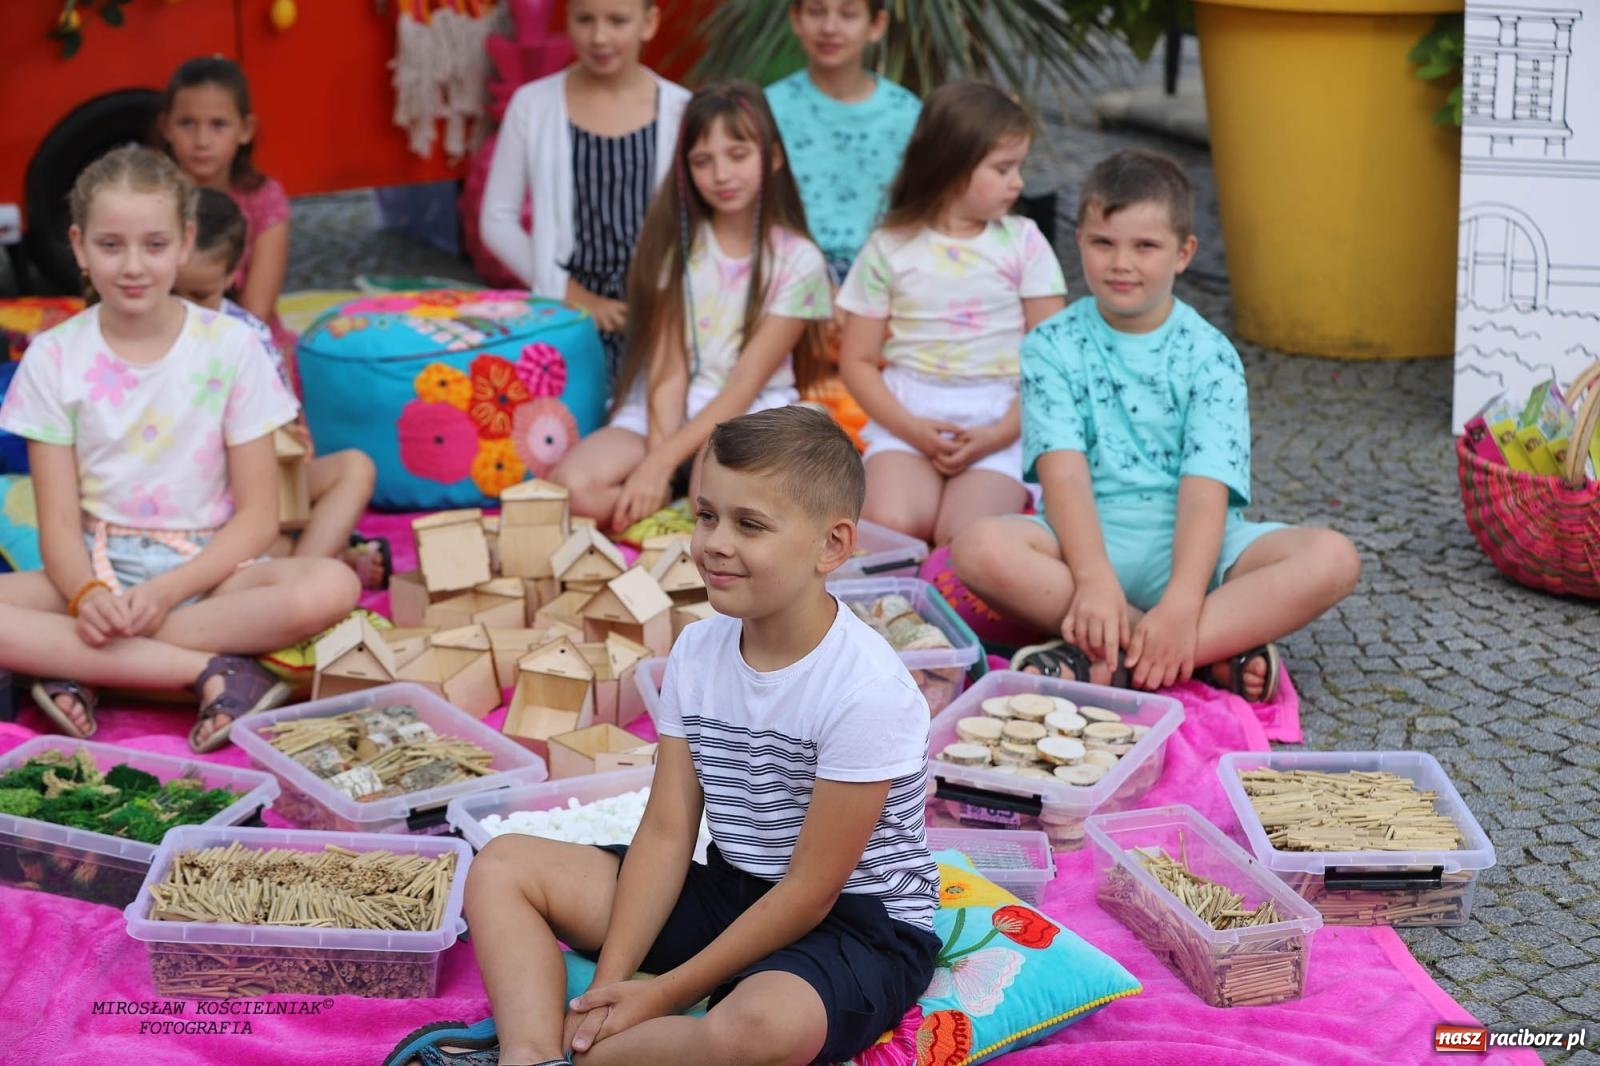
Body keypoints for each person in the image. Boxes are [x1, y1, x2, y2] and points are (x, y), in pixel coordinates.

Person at [389, 406, 938, 1066]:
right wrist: (611, 987)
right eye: (706, 515)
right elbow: (668, 832)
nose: (713, 543)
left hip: (856, 923)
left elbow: (810, 891)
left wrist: (665, 994)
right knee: (504, 865)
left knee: (760, 1028)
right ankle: (532, 1053)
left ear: (833, 545)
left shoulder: (866, 689)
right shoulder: (698, 649)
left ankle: (588, 1053)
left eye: (750, 524)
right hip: (733, 888)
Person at [951, 149, 1361, 701]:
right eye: (1104, 243)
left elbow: (1204, 490)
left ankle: (1115, 653)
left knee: (1332, 558)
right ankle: (1204, 652)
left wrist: (1184, 601)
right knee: (978, 547)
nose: (1122, 263)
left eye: (1145, 246)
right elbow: (1063, 475)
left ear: (1184, 253)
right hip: (1081, 544)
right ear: (1080, 244)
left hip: (1198, 547)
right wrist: (1093, 578)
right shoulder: (1051, 345)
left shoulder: (1210, 355)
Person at [0, 146, 360, 751]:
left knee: (330, 586)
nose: (133, 265)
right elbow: (58, 521)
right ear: (79, 246)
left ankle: (89, 667)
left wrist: (163, 595)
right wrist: (89, 595)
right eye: (111, 245)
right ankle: (204, 671)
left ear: (186, 241)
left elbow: (258, 518)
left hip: (216, 573)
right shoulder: (54, 356)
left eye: (155, 244)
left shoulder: (232, 346)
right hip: (96, 567)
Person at [550, 83, 833, 532]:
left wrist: (659, 464)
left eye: (738, 155)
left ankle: (683, 498)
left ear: (773, 158)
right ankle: (671, 496)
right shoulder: (674, 250)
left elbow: (743, 383)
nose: (721, 174)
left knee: (717, 506)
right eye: (703, 161)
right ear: (685, 170)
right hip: (664, 411)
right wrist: (659, 467)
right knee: (570, 488)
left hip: (749, 414)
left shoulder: (799, 261)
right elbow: (668, 369)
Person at [837, 80, 1067, 546]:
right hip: (909, 412)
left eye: (1018, 167)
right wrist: (912, 430)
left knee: (965, 538)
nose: (1018, 182)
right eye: (1003, 168)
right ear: (953, 166)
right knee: (891, 526)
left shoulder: (1023, 241)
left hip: (1000, 416)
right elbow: (856, 360)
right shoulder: (889, 246)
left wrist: (1000, 433)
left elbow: (1053, 359)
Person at [175, 188, 388, 590]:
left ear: (232, 273)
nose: (189, 311)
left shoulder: (247, 334)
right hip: (196, 507)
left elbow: (289, 427)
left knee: (353, 468)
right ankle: (321, 560)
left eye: (201, 295)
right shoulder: (149, 339)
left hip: (256, 492)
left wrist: (292, 441)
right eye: (175, 294)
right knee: (261, 546)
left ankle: (302, 575)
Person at [481, 0, 691, 384]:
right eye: (585, 20)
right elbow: (497, 219)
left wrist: (661, 299)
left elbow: (698, 219)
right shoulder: (533, 105)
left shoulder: (681, 110)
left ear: (649, 22)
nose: (599, 37)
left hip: (659, 311)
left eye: (617, 21)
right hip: (563, 310)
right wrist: (568, 291)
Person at [765, 0, 921, 283]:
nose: (829, 28)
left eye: (848, 14)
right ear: (796, 19)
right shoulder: (768, 110)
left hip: (886, 279)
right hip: (787, 278)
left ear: (877, 25)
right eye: (815, 12)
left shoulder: (907, 113)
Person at [159, 56, 292, 352]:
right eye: (187, 123)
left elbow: (256, 311)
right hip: (160, 340)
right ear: (166, 127)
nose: (202, 140)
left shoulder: (263, 200)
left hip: (243, 347)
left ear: (246, 129)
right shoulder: (152, 198)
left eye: (218, 124)